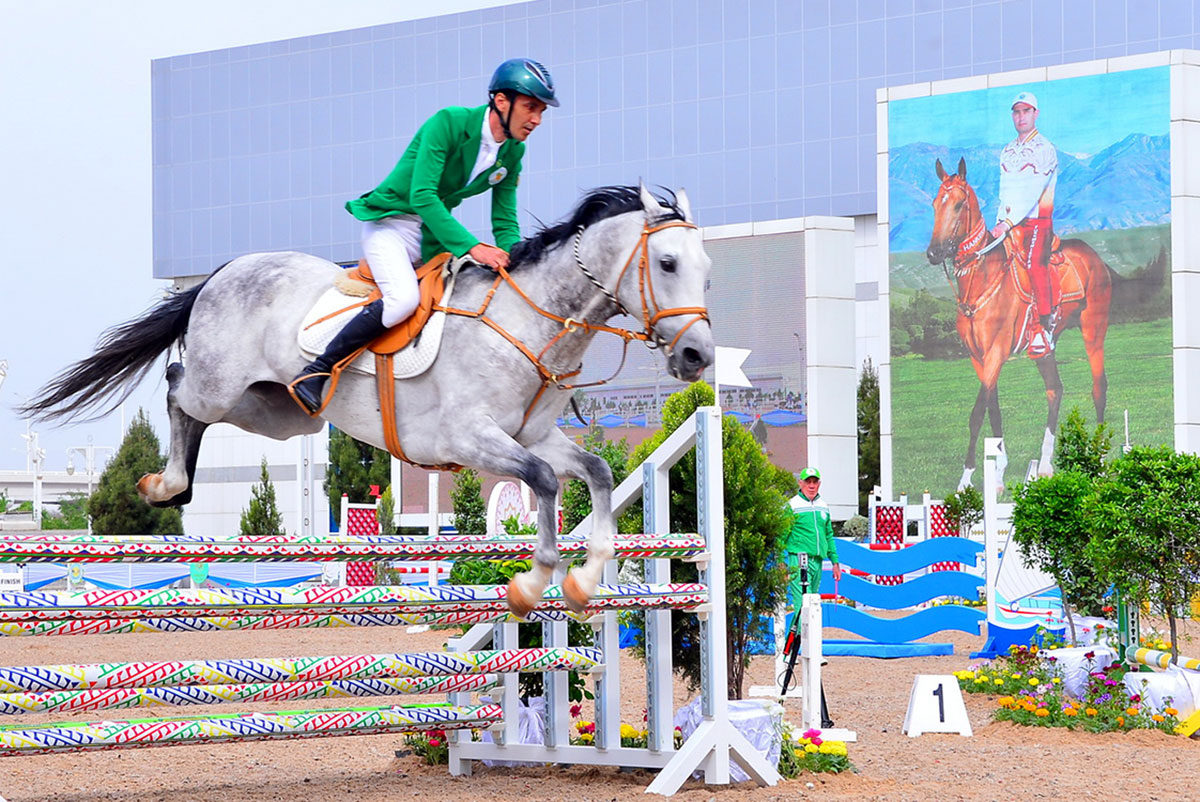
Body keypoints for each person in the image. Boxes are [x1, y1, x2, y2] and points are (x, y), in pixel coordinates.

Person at [291, 58, 559, 413]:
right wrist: (474, 248)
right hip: (392, 225)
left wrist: (516, 263)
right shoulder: (448, 123)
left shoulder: (513, 151)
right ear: (500, 101)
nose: (537, 120)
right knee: (403, 300)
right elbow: (422, 196)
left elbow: (505, 220)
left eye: (541, 111)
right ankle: (317, 370)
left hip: (433, 236)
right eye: (531, 108)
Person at [990, 90, 1059, 359]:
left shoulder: (1044, 149)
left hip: (1037, 220)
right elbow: (1004, 191)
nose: (1021, 116)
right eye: (1017, 112)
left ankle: (1045, 326)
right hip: (1009, 221)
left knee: (1033, 264)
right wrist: (999, 221)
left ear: (1036, 114)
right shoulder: (1007, 151)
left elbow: (1032, 190)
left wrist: (1007, 222)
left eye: (1026, 111)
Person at [783, 467, 842, 612]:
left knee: (812, 604)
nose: (811, 485)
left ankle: (794, 636)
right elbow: (781, 535)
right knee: (804, 605)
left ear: (819, 484)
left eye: (814, 482)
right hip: (799, 559)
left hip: (817, 561)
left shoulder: (823, 506)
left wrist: (835, 562)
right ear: (800, 483)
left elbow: (828, 535)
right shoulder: (792, 505)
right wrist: (780, 562)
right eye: (808, 482)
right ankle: (800, 635)